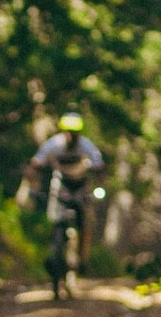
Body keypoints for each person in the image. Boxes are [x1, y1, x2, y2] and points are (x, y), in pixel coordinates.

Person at [23, 112, 106, 269]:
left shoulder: (86, 146)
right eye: (67, 132)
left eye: (74, 133)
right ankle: (52, 253)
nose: (70, 136)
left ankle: (83, 259)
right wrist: (30, 183)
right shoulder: (53, 144)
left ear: (79, 134)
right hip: (61, 186)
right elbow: (36, 164)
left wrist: (100, 185)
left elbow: (99, 166)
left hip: (81, 186)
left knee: (85, 223)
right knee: (54, 219)